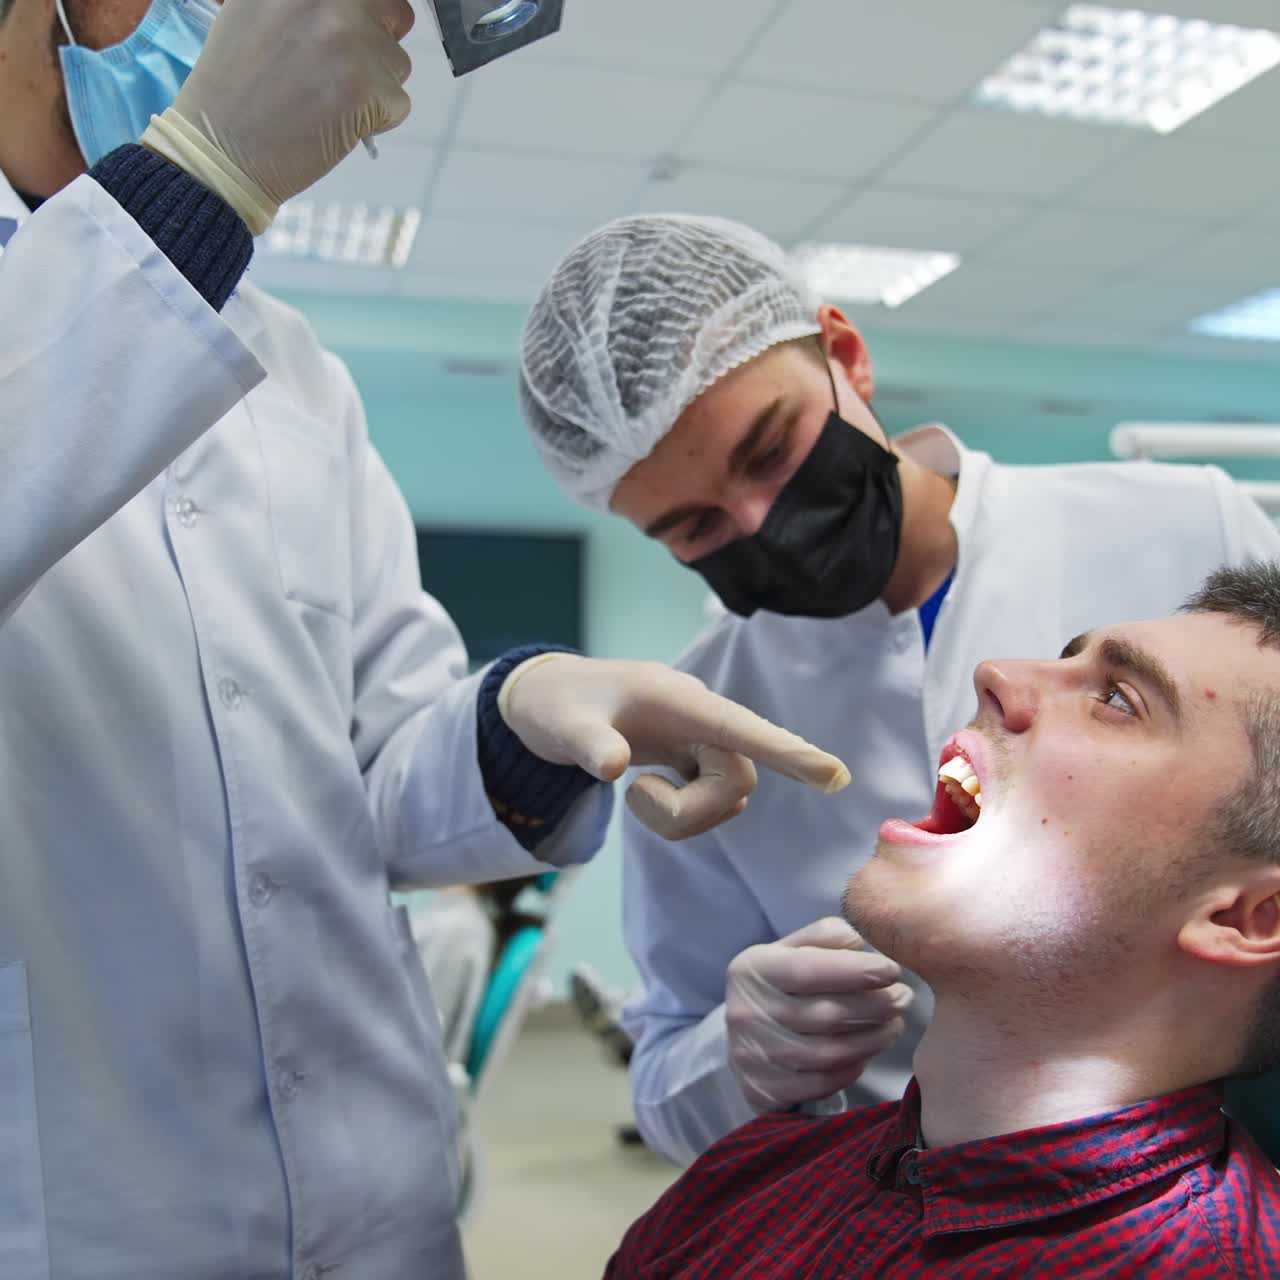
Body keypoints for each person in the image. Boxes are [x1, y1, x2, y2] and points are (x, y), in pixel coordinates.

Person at [0, 9, 854, 1278]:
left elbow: (377, 770)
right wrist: (202, 173)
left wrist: (518, 718)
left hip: (378, 1195)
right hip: (90, 1214)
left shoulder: (290, 368)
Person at [517, 212, 1280, 1166]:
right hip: (903, 1199)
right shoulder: (694, 723)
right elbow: (668, 1080)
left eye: (769, 451)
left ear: (846, 354)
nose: (763, 521)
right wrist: (740, 1054)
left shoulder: (1179, 524)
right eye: (693, 524)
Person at [605, 561, 1280, 1278]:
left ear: (1245, 918)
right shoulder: (745, 1180)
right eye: (1065, 659)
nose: (992, 673)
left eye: (1117, 698)